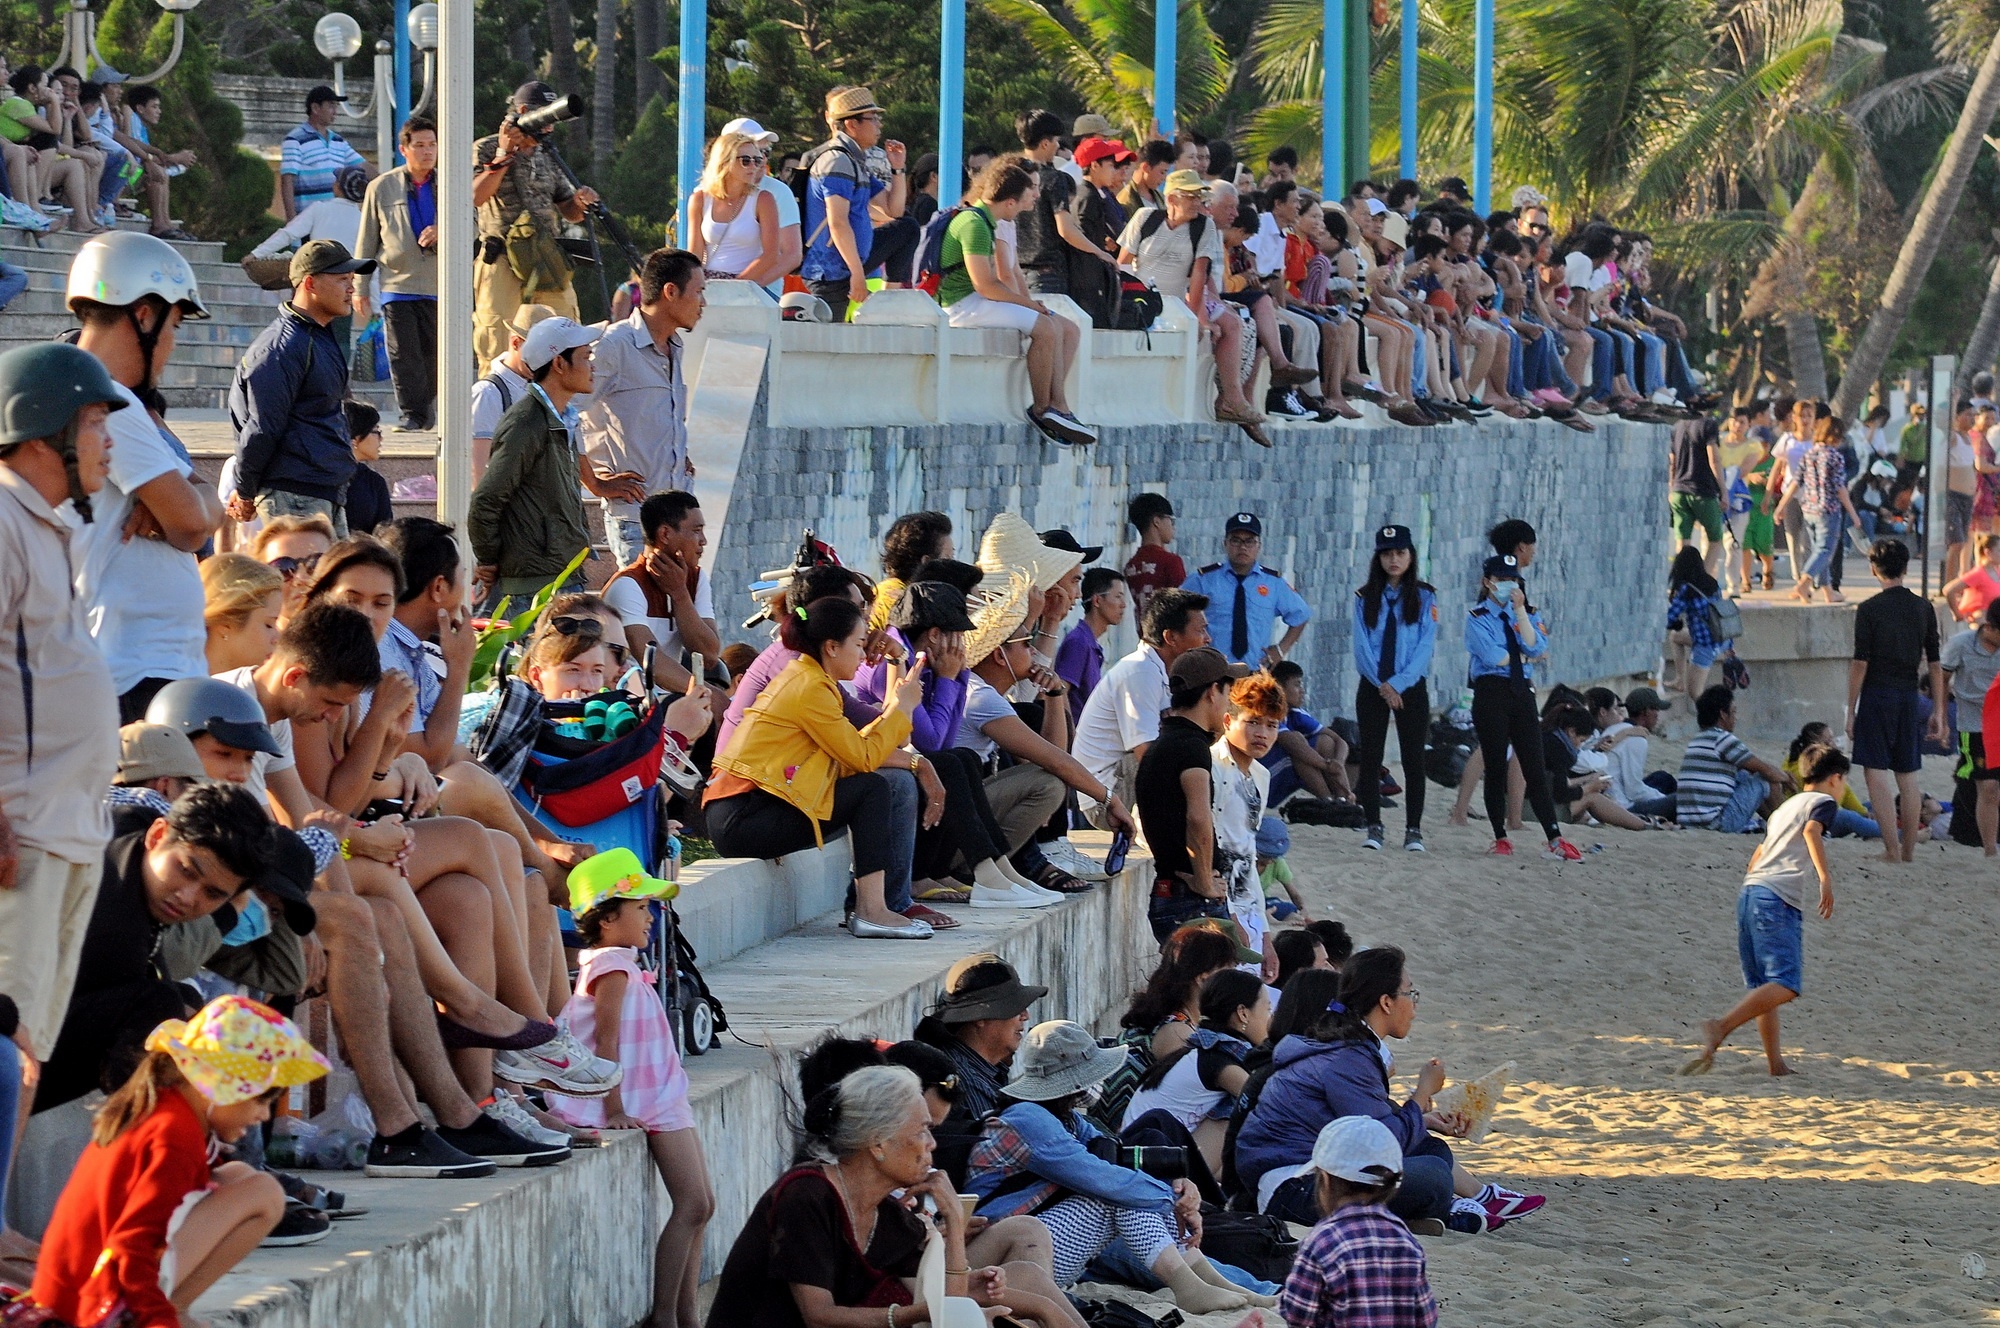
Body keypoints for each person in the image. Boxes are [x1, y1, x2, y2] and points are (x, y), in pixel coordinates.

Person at [710, 1064, 1078, 1328]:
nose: (932, 1145)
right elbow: (819, 1316)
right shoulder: (807, 1194)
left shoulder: (888, 1215)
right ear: (878, 1143)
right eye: (921, 1132)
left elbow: (949, 1311)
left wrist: (953, 1221)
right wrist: (909, 1314)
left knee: (1030, 1292)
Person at [28, 996, 320, 1327]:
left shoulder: (171, 1112)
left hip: (78, 1288)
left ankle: (170, 1307)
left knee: (237, 1174)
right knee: (264, 1193)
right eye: (261, 1099)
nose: (263, 1115)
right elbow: (131, 1245)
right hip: (91, 1300)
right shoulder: (173, 1135)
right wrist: (158, 1320)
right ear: (220, 1084)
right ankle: (155, 1313)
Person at [0, 342, 123, 1118]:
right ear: (44, 430)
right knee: (4, 1044)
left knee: (27, 1054)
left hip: (68, 826)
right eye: (94, 421)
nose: (109, 439)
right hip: (22, 830)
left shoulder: (47, 524)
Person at [1235, 946, 1544, 1235]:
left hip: (1313, 1174)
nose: (1414, 1005)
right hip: (1294, 1188)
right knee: (1434, 1176)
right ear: (1386, 1002)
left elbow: (1367, 1128)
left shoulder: (1347, 1046)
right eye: (1410, 993)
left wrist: (1423, 1119)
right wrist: (1422, 1093)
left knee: (1432, 1150)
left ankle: (1451, 1207)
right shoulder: (1347, 1057)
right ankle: (1447, 1209)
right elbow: (1383, 1141)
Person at [965, 1021, 1269, 1315]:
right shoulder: (1028, 1119)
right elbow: (1103, 1180)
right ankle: (1188, 1287)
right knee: (1118, 1196)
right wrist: (1171, 1200)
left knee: (1135, 1188)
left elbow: (1115, 1154)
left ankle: (1209, 1281)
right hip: (1004, 1258)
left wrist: (1179, 1186)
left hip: (1035, 1246)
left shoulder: (1066, 1119)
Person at [33, 783, 275, 1112]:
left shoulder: (128, 825)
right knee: (159, 1007)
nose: (187, 897)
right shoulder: (113, 925)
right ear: (158, 835)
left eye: (213, 894)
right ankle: (151, 1131)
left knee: (184, 1002)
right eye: (186, 871)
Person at [706, 594, 932, 938]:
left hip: (753, 808)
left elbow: (857, 750)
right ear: (831, 647)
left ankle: (873, 907)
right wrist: (901, 709)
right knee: (872, 788)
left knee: (870, 786)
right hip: (742, 817)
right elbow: (864, 757)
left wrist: (899, 709)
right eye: (859, 644)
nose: (863, 656)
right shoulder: (808, 687)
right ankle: (872, 910)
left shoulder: (812, 679)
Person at [550, 851, 712, 1328]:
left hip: (661, 1094)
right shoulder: (610, 968)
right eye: (640, 907)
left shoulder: (625, 963)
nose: (650, 916)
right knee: (693, 1204)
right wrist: (615, 1108)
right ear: (606, 918)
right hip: (643, 1100)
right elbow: (607, 1040)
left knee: (703, 1205)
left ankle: (688, 1316)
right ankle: (665, 1317)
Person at [65, 230, 221, 722]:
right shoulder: (106, 398)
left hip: (134, 668)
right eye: (175, 325)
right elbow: (192, 527)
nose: (173, 345)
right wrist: (192, 501)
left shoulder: (97, 394)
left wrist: (189, 500)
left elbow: (200, 509)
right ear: (145, 315)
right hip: (136, 672)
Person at [1681, 743, 1851, 1078]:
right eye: (1844, 781)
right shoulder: (1823, 803)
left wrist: (1753, 887)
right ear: (1834, 778)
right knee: (1786, 984)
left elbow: (1760, 852)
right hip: (1776, 897)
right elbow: (1812, 831)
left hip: (1751, 892)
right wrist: (1825, 878)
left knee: (1764, 988)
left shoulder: (1784, 808)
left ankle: (1776, 1064)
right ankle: (1721, 1026)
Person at [940, 159, 1094, 447]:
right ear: (1009, 202)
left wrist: (1027, 304)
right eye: (1025, 198)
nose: (1030, 202)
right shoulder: (974, 224)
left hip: (973, 300)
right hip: (961, 306)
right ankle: (1042, 409)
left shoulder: (984, 221)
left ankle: (1056, 406)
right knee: (1045, 328)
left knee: (1055, 326)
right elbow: (985, 284)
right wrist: (1028, 305)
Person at [227, 239, 372, 535]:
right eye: (342, 279)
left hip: (323, 489)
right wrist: (245, 490)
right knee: (302, 568)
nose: (351, 288)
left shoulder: (318, 337)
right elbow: (262, 427)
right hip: (293, 494)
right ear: (310, 284)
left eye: (352, 279)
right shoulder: (282, 347)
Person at [581, 248, 706, 566]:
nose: (703, 303)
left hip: (678, 520)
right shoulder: (614, 345)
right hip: (635, 521)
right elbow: (563, 413)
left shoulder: (675, 346)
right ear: (670, 292)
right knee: (640, 601)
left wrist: (677, 453)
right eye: (698, 292)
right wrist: (594, 482)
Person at [1117, 169, 1263, 436]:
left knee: (1233, 324)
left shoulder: (1203, 226)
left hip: (1179, 300)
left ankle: (1231, 398)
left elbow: (1199, 274)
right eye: (1191, 196)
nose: (1198, 202)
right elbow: (1123, 264)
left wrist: (1196, 318)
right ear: (1172, 199)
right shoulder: (1145, 218)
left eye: (1200, 197)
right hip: (1145, 297)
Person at [469, 316, 602, 606]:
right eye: (585, 357)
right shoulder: (526, 421)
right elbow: (486, 500)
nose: (593, 366)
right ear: (559, 364)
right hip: (533, 589)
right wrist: (489, 560)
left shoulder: (562, 418)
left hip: (563, 576)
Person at [471, 82, 596, 366]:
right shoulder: (486, 147)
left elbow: (568, 210)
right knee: (497, 343)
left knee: (565, 335)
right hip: (502, 258)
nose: (549, 126)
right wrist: (503, 154)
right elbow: (476, 196)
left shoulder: (547, 153)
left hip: (546, 258)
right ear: (524, 111)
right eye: (544, 116)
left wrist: (580, 203)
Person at [1466, 554, 1580, 861]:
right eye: (1501, 580)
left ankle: (1554, 837)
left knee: (1534, 766)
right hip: (1491, 692)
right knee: (1495, 766)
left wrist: (1519, 612)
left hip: (1522, 693)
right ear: (1488, 582)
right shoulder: (1477, 617)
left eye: (1513, 580)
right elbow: (1493, 656)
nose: (1508, 585)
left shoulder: (1528, 613)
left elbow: (1537, 645)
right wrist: (1526, 658)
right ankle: (1500, 836)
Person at [1277, 1116, 1439, 1328]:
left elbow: (1297, 1313)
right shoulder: (1406, 1240)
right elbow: (1427, 1318)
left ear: (1325, 1180)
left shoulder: (1322, 1241)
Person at [1135, 646, 1249, 940]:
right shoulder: (1191, 747)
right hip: (1190, 899)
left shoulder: (1164, 743)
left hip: (1172, 891)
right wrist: (1205, 882)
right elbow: (1198, 819)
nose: (1228, 703)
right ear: (1212, 692)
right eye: (1227, 692)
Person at [1072, 587, 1210, 828]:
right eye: (1200, 631)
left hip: (1122, 783)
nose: (1207, 639)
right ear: (1171, 637)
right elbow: (1146, 754)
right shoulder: (1140, 671)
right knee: (1184, 756)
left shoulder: (1160, 670)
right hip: (1106, 799)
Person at [1849, 538, 1948, 863]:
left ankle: (1891, 849)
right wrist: (1939, 710)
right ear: (1906, 569)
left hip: (1877, 694)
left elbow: (1860, 663)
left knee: (1875, 772)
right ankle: (1908, 851)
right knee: (1908, 775)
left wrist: (1851, 710)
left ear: (1873, 569)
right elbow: (1935, 663)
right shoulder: (1923, 607)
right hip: (1908, 695)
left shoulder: (1869, 609)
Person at [1121, 969, 1269, 1175]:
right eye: (1267, 1009)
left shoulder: (1206, 1050)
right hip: (1146, 1161)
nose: (1270, 1019)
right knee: (1238, 1108)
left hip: (1146, 1152)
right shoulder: (1218, 1061)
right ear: (1243, 1013)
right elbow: (1268, 1103)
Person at [1351, 524, 1436, 852]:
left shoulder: (1425, 596)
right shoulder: (1364, 597)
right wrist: (1382, 685)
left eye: (1400, 553)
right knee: (1371, 757)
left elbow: (1425, 648)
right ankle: (1374, 826)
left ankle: (1413, 830)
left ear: (1411, 556)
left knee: (1413, 758)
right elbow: (1361, 648)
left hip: (1409, 686)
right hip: (1373, 684)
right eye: (1387, 554)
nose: (1394, 560)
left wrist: (1398, 684)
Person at [355, 114, 440, 431]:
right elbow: (366, 240)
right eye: (419, 145)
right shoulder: (381, 187)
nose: (427, 151)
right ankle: (412, 413)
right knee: (403, 353)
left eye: (432, 144)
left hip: (438, 285)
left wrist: (443, 230)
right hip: (397, 285)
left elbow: (473, 224)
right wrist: (360, 286)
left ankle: (427, 408)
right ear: (404, 149)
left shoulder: (450, 184)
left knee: (433, 355)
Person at [800, 85, 910, 320]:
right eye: (873, 118)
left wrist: (898, 168)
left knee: (907, 227)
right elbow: (838, 223)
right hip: (830, 272)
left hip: (847, 264)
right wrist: (857, 275)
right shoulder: (837, 161)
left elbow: (894, 210)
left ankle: (888, 301)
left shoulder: (854, 161)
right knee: (828, 338)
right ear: (852, 124)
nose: (879, 125)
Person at [602, 488, 723, 696]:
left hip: (672, 695)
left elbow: (709, 656)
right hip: (630, 700)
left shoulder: (696, 579)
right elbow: (652, 664)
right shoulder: (627, 585)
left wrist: (680, 594)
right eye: (696, 531)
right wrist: (704, 693)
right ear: (665, 534)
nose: (703, 541)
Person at [250, 165, 371, 357]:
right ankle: (338, 374)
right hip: (344, 285)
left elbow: (288, 234)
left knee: (308, 333)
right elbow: (371, 257)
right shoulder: (362, 219)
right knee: (341, 340)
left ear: (338, 187)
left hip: (316, 284)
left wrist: (256, 254)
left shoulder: (320, 209)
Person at [1212, 675, 1282, 970]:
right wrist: (1228, 917)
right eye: (1253, 722)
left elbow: (1247, 851)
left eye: (1271, 725)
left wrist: (1265, 936)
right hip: (1216, 906)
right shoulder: (1210, 766)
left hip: (1247, 906)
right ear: (1228, 721)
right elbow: (1205, 843)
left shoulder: (1261, 776)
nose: (1262, 733)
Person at [1182, 511, 1311, 668]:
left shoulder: (1273, 583)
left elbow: (1301, 614)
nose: (1242, 547)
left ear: (1259, 546)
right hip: (1212, 671)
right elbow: (1177, 613)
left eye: (1249, 541)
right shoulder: (1203, 580)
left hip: (1255, 672)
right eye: (1235, 540)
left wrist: (1281, 649)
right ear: (1225, 543)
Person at [1773, 414, 1868, 603]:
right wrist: (1853, 514)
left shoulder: (1809, 454)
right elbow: (1840, 488)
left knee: (1818, 550)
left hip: (1808, 508)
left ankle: (1827, 591)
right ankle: (1804, 583)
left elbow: (1795, 483)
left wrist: (1781, 506)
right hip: (1828, 509)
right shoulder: (1835, 457)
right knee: (1825, 550)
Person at [1677, 685, 1795, 832]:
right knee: (1766, 781)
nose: (1735, 718)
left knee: (1744, 775)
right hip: (1717, 823)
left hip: (1689, 822)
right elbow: (1767, 771)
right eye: (1733, 712)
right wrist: (1787, 778)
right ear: (1723, 714)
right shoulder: (1722, 739)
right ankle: (1791, 826)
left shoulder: (1697, 740)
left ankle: (1776, 824)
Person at [470, 302, 557, 478]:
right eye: (538, 351)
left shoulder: (542, 389)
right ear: (516, 343)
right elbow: (477, 470)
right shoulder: (488, 394)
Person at [687, 124, 783, 283]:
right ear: (725, 162)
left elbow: (771, 256)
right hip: (708, 283)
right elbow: (694, 253)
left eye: (757, 160)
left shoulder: (763, 200)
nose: (754, 166)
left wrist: (735, 285)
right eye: (745, 161)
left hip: (746, 283)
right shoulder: (699, 199)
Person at [1944, 602, 2000, 856]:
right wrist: (1940, 715)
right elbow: (1942, 677)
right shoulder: (1961, 644)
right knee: (1988, 786)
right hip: (1975, 727)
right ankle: (1989, 850)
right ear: (1989, 627)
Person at [279, 84, 368, 219]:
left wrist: (388, 182)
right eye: (331, 106)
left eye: (336, 106)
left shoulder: (338, 141)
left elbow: (364, 167)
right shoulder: (295, 140)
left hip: (335, 220)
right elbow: (287, 180)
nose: (335, 112)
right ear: (315, 108)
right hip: (307, 221)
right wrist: (291, 220)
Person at [1055, 566, 1124, 721]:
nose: (1123, 604)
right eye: (1118, 597)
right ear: (1097, 600)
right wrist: (1069, 732)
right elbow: (1059, 692)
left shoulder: (1089, 642)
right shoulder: (1078, 642)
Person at [1669, 411, 1726, 577]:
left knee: (1682, 541)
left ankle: (1682, 579)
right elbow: (1714, 459)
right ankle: (1703, 580)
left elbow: (1672, 462)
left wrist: (1671, 487)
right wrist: (1723, 491)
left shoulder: (1677, 426)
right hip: (1702, 491)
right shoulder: (1708, 424)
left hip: (1679, 491)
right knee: (1715, 539)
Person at [1666, 544, 1723, 702]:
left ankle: (1711, 716)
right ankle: (1679, 679)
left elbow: (1669, 618)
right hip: (1720, 637)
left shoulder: (1687, 589)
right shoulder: (1712, 583)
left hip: (1705, 645)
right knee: (1676, 637)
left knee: (1696, 693)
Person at [1122, 492, 1184, 618]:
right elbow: (1183, 606)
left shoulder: (1131, 566)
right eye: (1171, 520)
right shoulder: (1171, 561)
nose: (1173, 527)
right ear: (1157, 521)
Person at [342, 400, 392, 534]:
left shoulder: (374, 482)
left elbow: (384, 532)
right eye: (376, 431)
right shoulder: (324, 478)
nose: (381, 439)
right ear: (355, 438)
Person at [1942, 533, 2000, 624]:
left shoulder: (1997, 572)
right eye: (1999, 550)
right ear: (1988, 552)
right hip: (1982, 623)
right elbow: (1949, 590)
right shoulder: (1978, 574)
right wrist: (1957, 614)